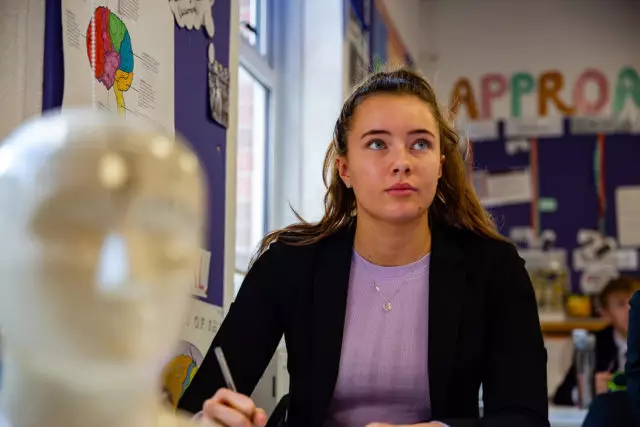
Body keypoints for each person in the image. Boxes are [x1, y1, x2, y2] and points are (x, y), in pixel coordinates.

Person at [178, 69, 548, 427]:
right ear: (345, 169)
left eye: (420, 143)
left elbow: (526, 418)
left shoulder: (494, 269)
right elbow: (197, 406)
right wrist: (208, 420)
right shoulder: (290, 264)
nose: (401, 162)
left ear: (439, 165)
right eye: (377, 144)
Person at [553, 276, 638, 406]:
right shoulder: (592, 343)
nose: (630, 310)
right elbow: (561, 396)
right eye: (621, 304)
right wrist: (587, 390)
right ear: (605, 313)